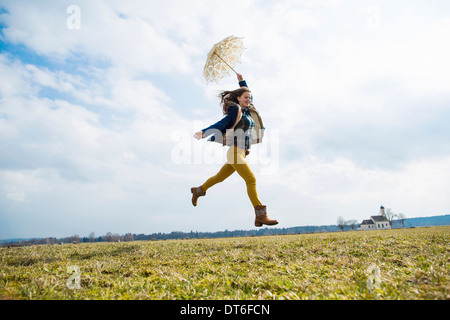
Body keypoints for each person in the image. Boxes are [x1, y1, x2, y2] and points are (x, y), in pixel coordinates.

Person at [191, 74, 278, 227]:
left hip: (242, 153)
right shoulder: (235, 110)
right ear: (238, 98)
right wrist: (204, 132)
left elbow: (249, 95)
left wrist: (241, 81)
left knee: (219, 177)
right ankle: (260, 216)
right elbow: (223, 122)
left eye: (250, 98)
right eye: (246, 97)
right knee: (251, 179)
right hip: (235, 151)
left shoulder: (249, 111)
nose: (249, 100)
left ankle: (198, 190)